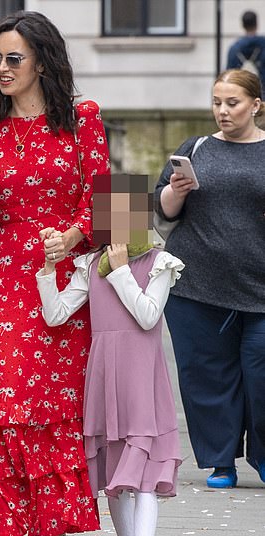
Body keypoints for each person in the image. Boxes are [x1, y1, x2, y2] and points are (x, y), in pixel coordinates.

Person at [0, 10, 109, 536]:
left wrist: (74, 235)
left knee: (56, 411)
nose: (2, 69)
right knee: (7, 407)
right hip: (5, 283)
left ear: (44, 62)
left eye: (13, 59)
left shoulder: (83, 122)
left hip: (65, 284)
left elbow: (105, 201)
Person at [37, 173, 184, 536]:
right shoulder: (89, 265)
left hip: (142, 379)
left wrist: (121, 271)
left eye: (125, 215)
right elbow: (56, 315)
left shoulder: (160, 262)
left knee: (146, 474)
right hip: (104, 379)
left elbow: (147, 316)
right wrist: (48, 274)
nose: (117, 226)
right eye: (108, 215)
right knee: (116, 479)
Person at [154, 69, 265, 489]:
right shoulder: (195, 148)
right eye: (216, 102)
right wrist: (177, 190)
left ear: (255, 104)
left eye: (232, 103)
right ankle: (221, 461)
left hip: (259, 286)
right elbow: (163, 210)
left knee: (260, 372)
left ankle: (262, 452)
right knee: (206, 375)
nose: (222, 111)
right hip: (196, 286)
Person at [226, 10, 265, 96]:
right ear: (257, 24)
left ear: (242, 25)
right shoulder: (263, 44)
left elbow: (228, 78)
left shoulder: (234, 48)